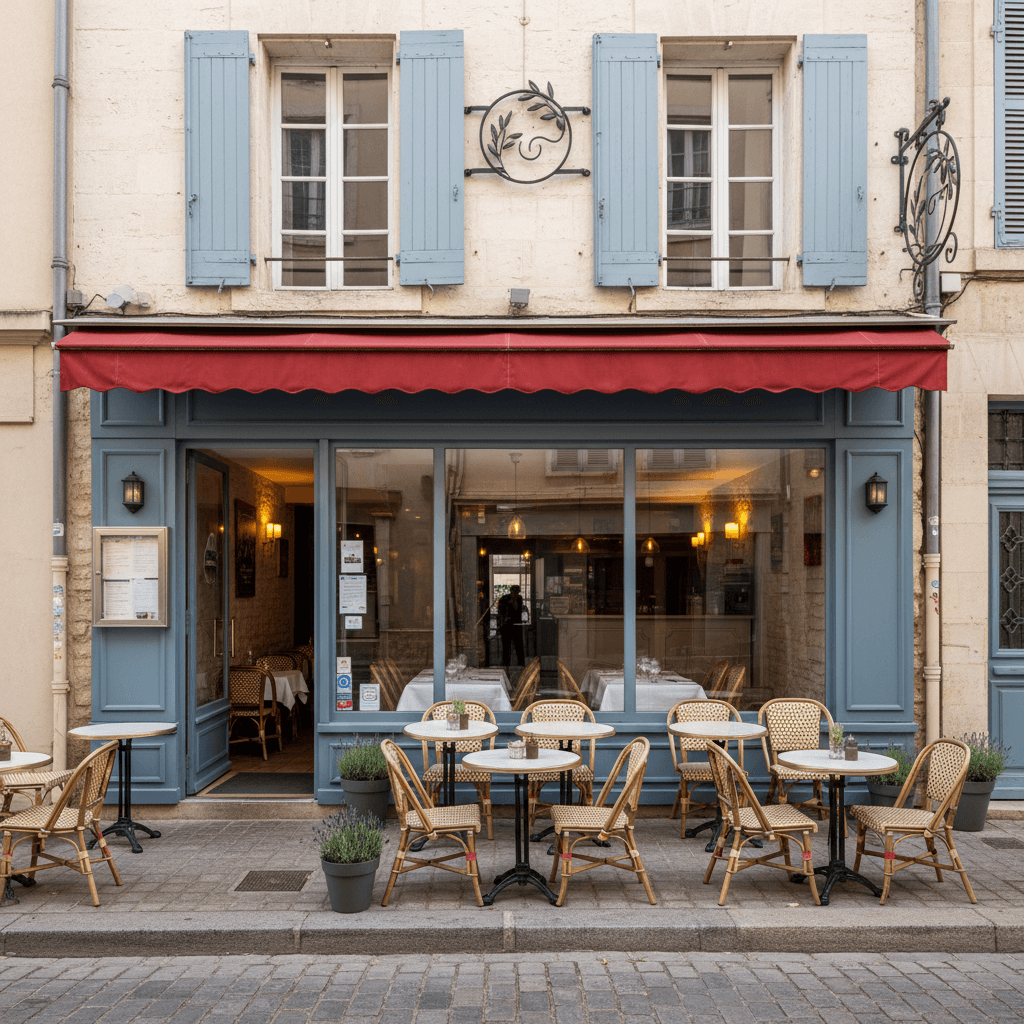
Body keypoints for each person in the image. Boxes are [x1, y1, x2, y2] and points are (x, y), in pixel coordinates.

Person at [497, 585, 525, 667]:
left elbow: (518, 610)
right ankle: (506, 665)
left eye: (517, 593)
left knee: (519, 646)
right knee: (506, 647)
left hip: (516, 625)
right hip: (506, 626)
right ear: (511, 592)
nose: (515, 594)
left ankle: (521, 664)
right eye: (514, 592)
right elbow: (501, 612)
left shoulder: (519, 599)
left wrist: (514, 601)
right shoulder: (504, 599)